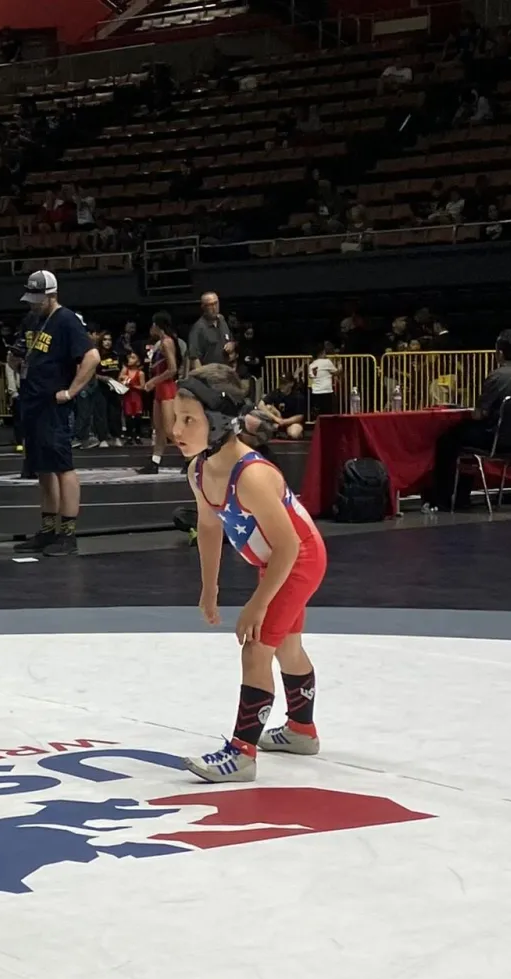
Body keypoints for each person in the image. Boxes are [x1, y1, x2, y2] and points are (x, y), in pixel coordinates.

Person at [174, 365, 327, 783]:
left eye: (189, 420)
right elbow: (208, 526)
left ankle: (242, 754)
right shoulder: (200, 471)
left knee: (256, 644)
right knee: (286, 649)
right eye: (175, 417)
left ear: (220, 422)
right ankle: (301, 731)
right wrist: (210, 588)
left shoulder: (253, 475)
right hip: (279, 560)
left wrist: (256, 604)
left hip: (296, 559)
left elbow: (291, 547)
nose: (177, 429)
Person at [8, 270, 99, 556]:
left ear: (52, 295)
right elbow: (17, 355)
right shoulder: (32, 318)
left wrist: (71, 391)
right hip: (31, 402)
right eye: (31, 298)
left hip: (53, 404)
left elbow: (92, 357)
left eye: (38, 299)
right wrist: (16, 356)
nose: (33, 304)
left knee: (62, 466)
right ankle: (48, 530)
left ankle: (67, 535)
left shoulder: (66, 321)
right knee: (43, 468)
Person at [424, 328, 511, 512]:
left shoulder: (497, 376)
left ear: (499, 352)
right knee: (465, 436)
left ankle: (443, 499)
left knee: (448, 440)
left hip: (494, 439)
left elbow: (479, 414)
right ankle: (462, 497)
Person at [137, 311, 180, 474]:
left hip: (167, 388)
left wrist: (153, 381)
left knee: (170, 429)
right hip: (160, 389)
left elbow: (172, 369)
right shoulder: (159, 343)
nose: (151, 327)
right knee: (159, 429)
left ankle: (193, 457)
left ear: (158, 325)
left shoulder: (167, 342)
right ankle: (155, 461)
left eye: (153, 324)